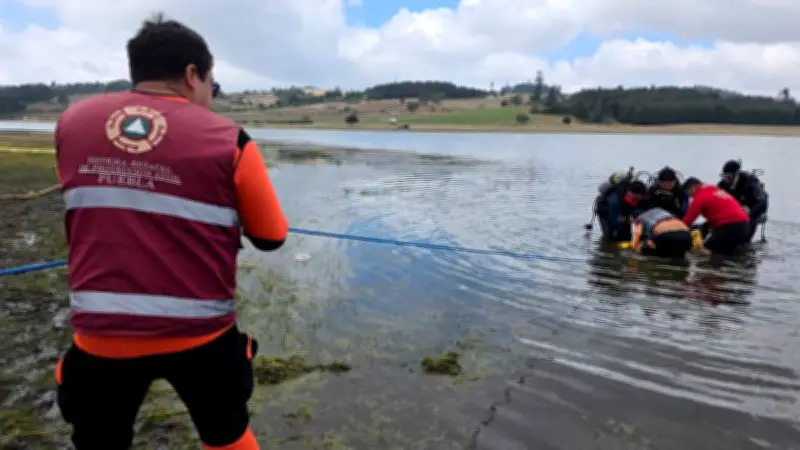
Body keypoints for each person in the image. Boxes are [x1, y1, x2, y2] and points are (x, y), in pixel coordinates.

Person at [54, 14, 287, 450]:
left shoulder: (70, 123)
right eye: (211, 88)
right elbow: (272, 237)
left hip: (101, 333)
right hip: (200, 332)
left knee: (99, 440)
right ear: (191, 74)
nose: (210, 99)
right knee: (226, 433)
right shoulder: (229, 139)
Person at [681, 177, 750, 256]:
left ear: (692, 188)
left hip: (731, 226)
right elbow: (719, 212)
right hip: (745, 225)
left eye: (688, 193)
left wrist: (675, 228)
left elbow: (688, 220)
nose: (690, 196)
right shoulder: (713, 189)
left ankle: (708, 265)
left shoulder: (699, 197)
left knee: (706, 251)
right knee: (728, 254)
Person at [717, 160, 768, 241]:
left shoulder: (750, 181)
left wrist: (749, 214)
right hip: (732, 214)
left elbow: (762, 203)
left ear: (736, 175)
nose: (726, 179)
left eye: (729, 177)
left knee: (743, 240)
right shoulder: (722, 184)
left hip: (751, 213)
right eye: (724, 176)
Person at [595, 169, 636, 241]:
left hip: (613, 211)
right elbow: (614, 219)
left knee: (622, 233)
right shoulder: (614, 199)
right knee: (608, 236)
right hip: (604, 213)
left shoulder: (623, 195)